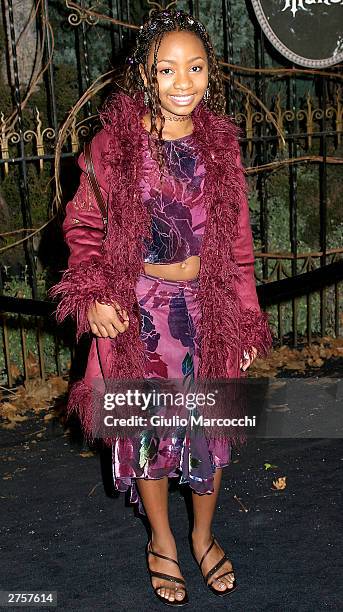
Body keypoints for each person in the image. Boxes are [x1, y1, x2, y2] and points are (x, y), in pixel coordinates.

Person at [49, 8, 273, 606]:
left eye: (195, 67)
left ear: (210, 73)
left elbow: (240, 245)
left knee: (210, 431)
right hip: (139, 316)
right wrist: (94, 293)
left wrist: (246, 315)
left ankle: (203, 534)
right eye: (167, 68)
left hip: (207, 312)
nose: (182, 82)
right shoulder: (115, 144)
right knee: (146, 432)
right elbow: (83, 227)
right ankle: (163, 540)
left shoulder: (220, 145)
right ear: (145, 73)